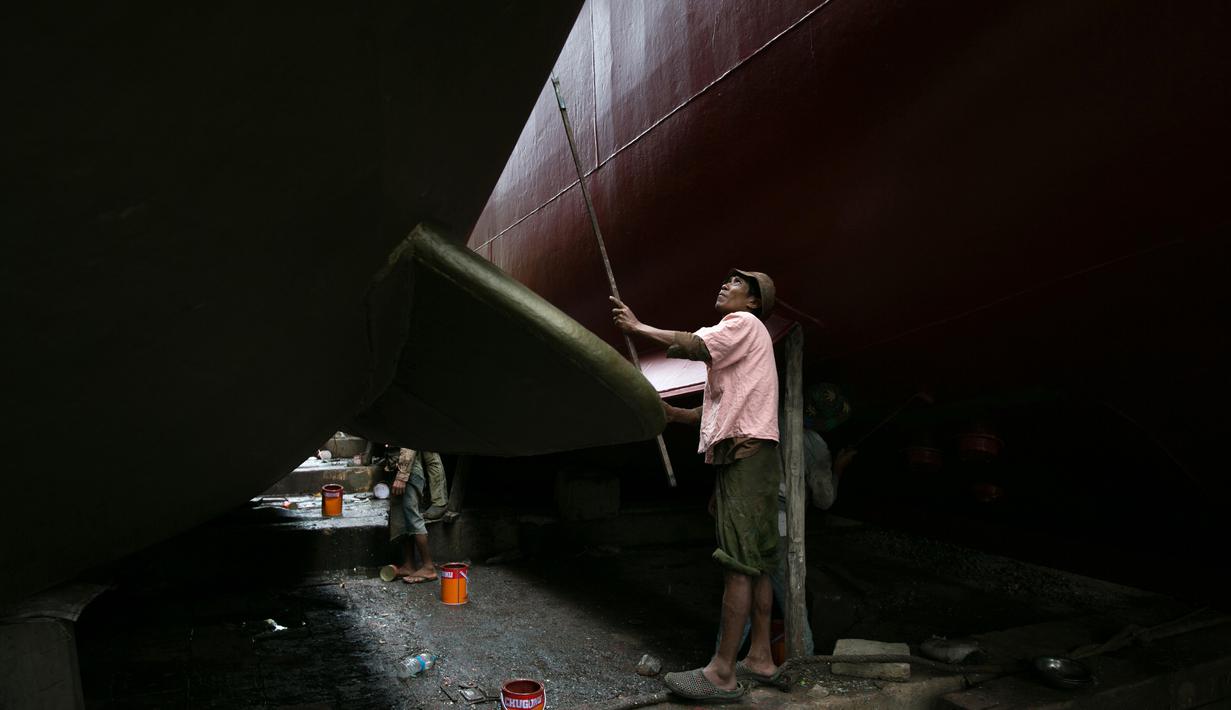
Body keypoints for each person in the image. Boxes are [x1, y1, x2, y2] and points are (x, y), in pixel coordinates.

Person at [610, 269, 780, 702]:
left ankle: (722, 672)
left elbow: (694, 344)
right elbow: (717, 410)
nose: (725, 284)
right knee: (757, 559)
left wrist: (637, 326)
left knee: (737, 561)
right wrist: (673, 414)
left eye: (737, 283)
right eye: (726, 280)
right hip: (755, 454)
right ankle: (761, 657)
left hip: (745, 452)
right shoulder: (746, 346)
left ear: (754, 302)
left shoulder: (741, 323)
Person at [387, 448, 445, 583]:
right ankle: (409, 565)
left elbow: (409, 445)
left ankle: (428, 567)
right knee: (404, 519)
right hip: (400, 469)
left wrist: (402, 476)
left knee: (413, 518)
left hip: (409, 473)